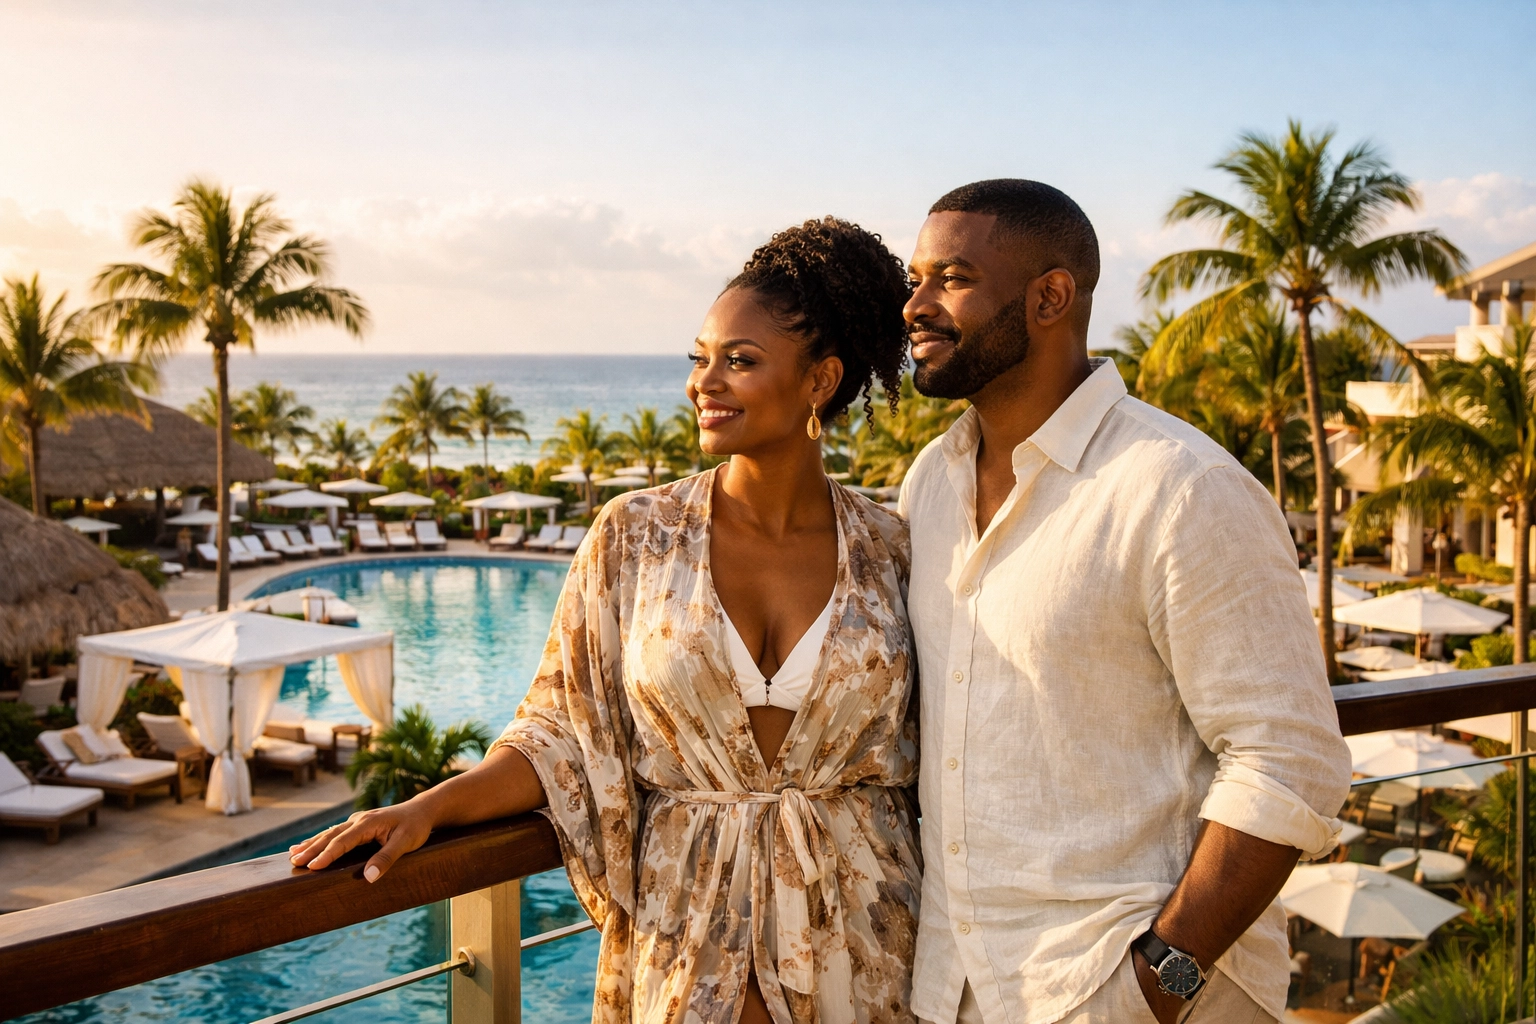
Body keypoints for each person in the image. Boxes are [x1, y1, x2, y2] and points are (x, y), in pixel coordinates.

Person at [290, 217, 924, 1024]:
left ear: (821, 380)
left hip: (866, 936)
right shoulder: (636, 537)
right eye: (699, 359)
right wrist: (427, 809)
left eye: (740, 361)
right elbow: (562, 730)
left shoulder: (892, 549)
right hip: (687, 926)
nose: (706, 383)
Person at [898, 179, 1352, 1024]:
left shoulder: (1182, 488)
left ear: (1050, 297)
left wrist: (1156, 987)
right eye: (914, 279)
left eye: (950, 278)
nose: (915, 305)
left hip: (1132, 988)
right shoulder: (929, 483)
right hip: (958, 986)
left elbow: (1291, 760)